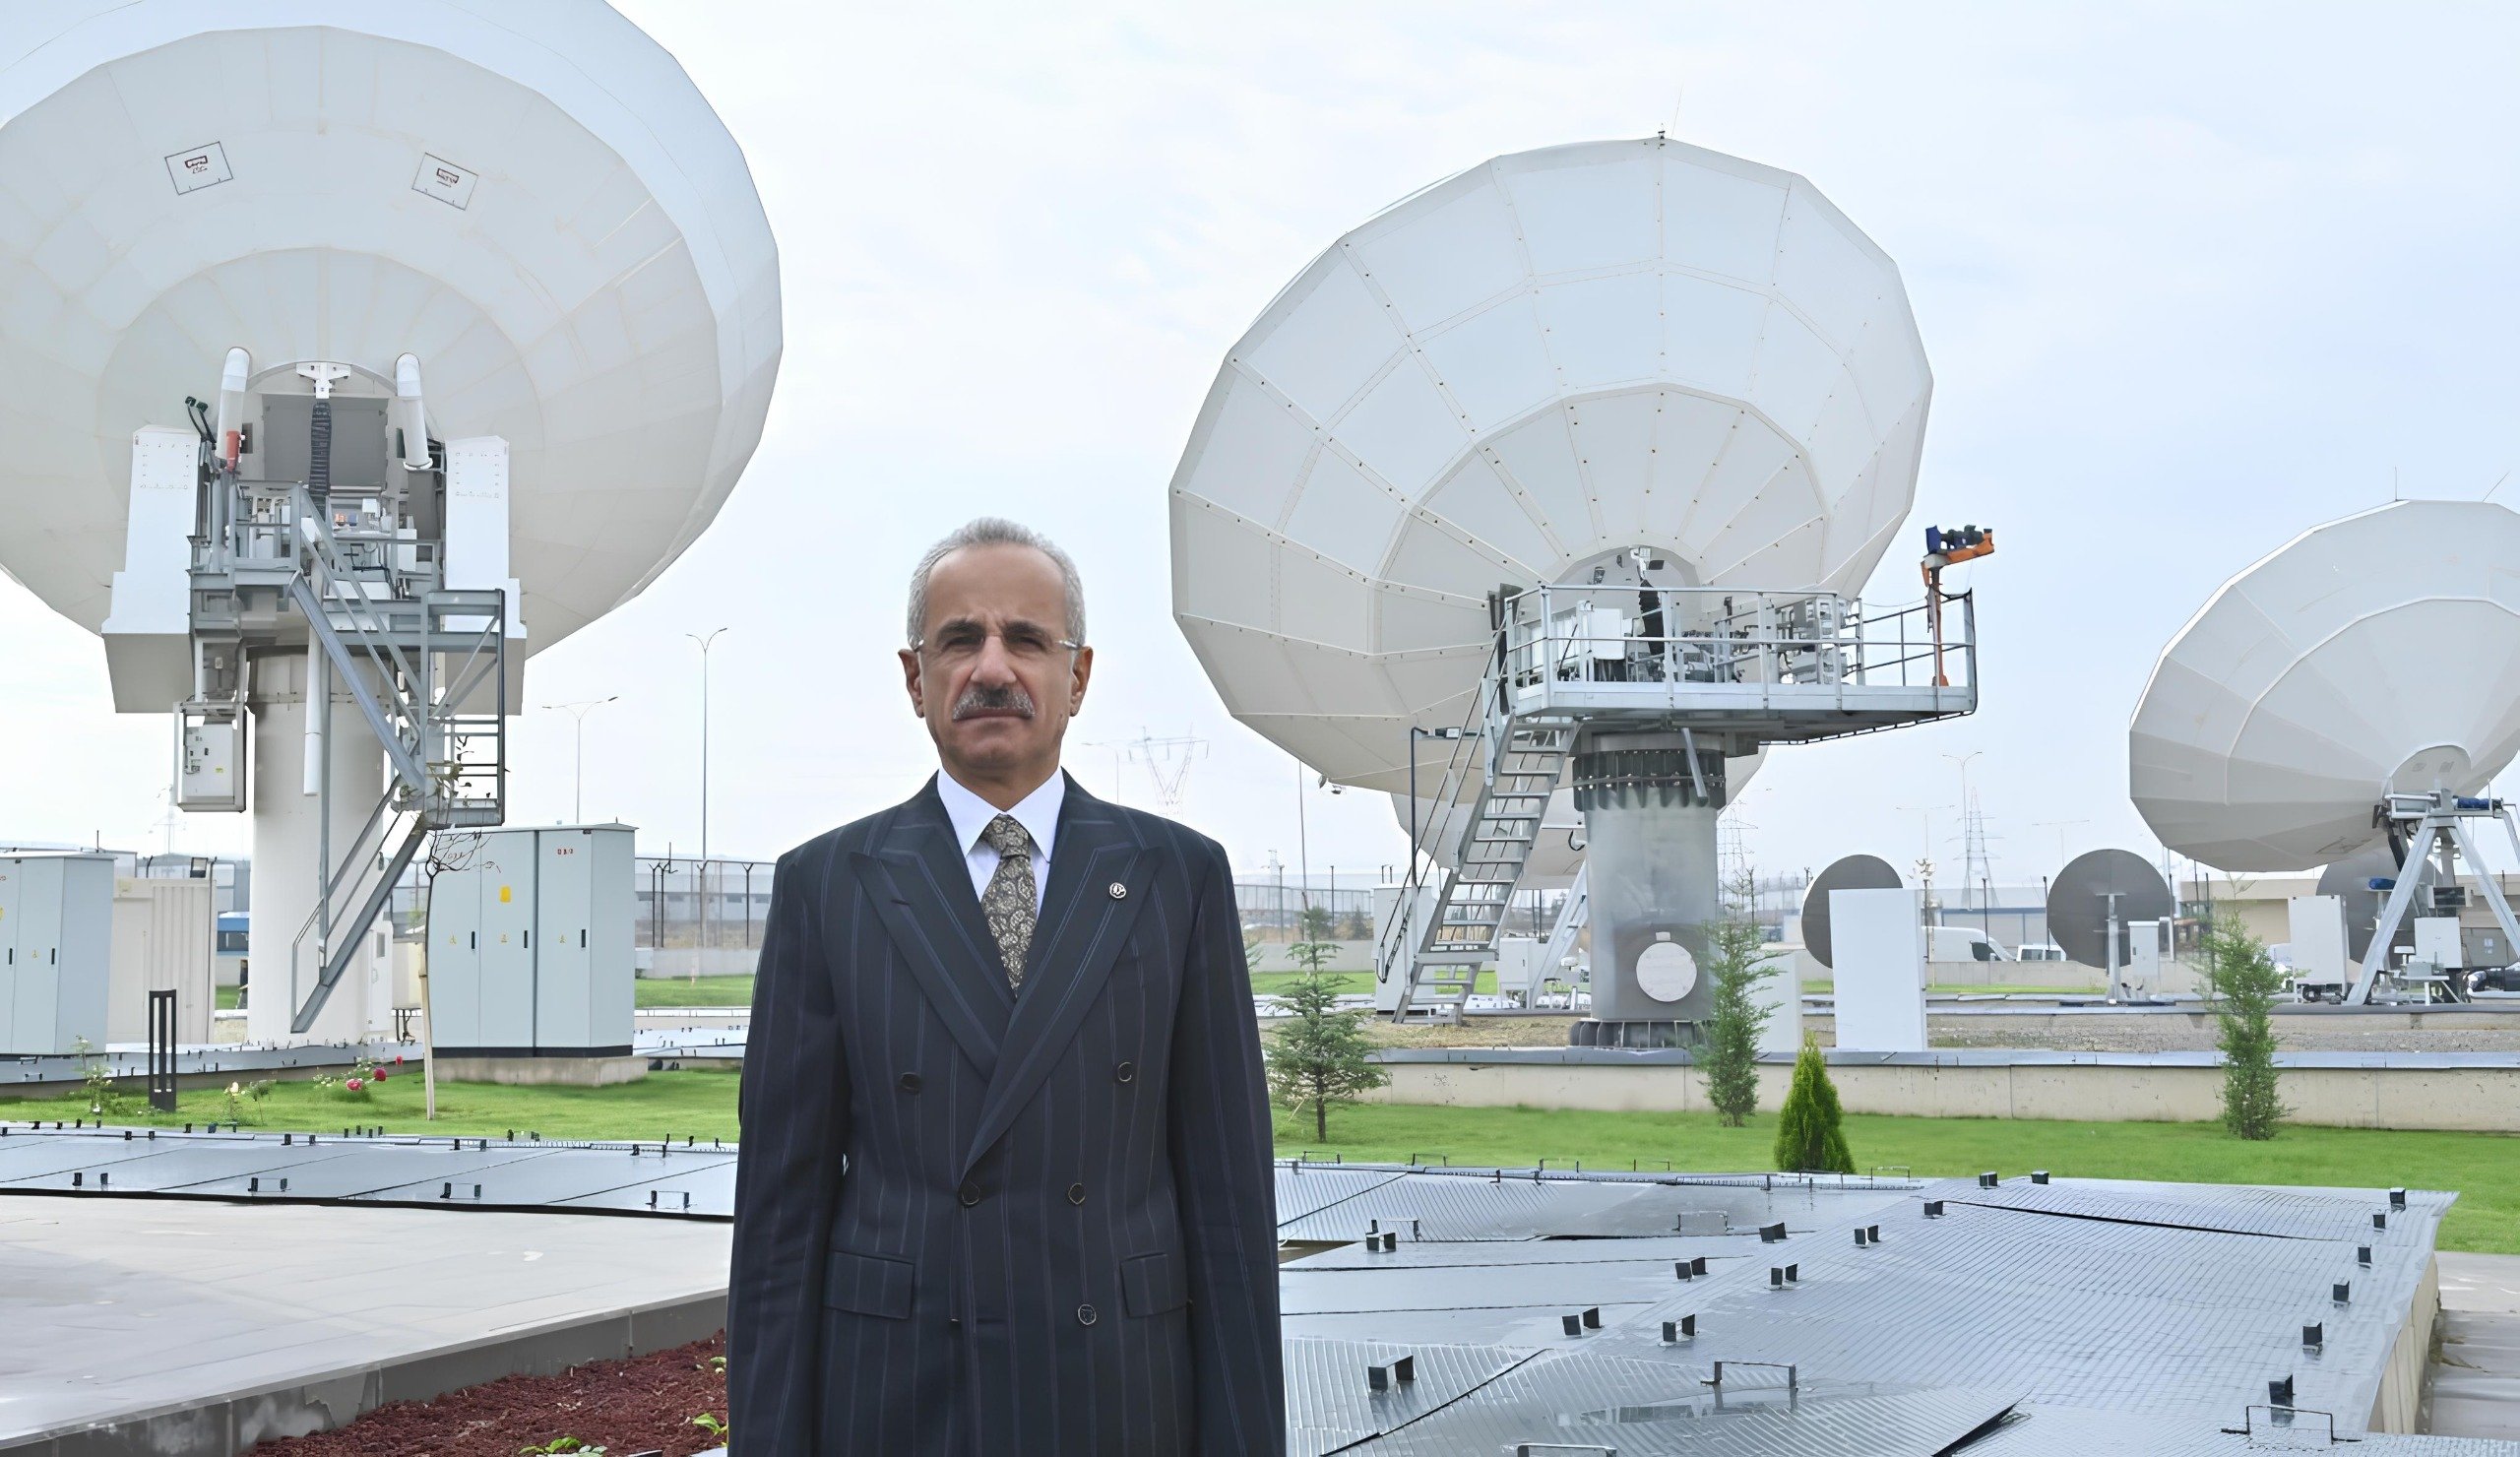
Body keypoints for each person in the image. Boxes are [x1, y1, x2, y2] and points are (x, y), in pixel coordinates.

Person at [729, 518, 1285, 1455]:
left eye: (1027, 639)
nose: (993, 668)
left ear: (1079, 676)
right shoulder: (827, 884)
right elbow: (778, 1226)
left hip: (1121, 1395)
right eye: (960, 640)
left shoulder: (1176, 877)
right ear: (916, 680)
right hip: (897, 1398)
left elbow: (1230, 1209)